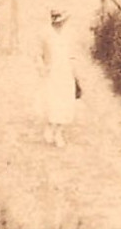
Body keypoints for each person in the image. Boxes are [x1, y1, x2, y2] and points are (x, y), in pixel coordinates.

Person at [38, 9, 77, 146]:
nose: (60, 24)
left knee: (65, 101)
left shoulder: (68, 35)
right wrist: (42, 68)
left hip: (65, 72)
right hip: (52, 72)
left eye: (62, 21)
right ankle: (50, 126)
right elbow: (38, 54)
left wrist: (75, 73)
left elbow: (72, 55)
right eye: (58, 21)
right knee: (52, 100)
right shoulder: (45, 34)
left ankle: (59, 132)